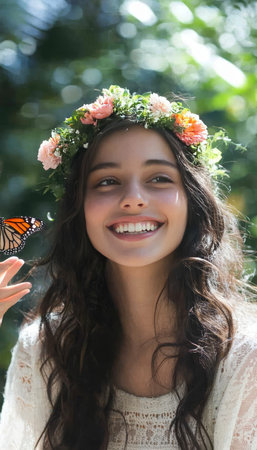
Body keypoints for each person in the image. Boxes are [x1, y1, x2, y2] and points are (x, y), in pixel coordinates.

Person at [0, 85, 256, 450]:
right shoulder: (45, 351)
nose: (133, 198)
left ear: (193, 201)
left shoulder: (247, 358)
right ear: (80, 209)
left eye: (159, 178)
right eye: (107, 181)